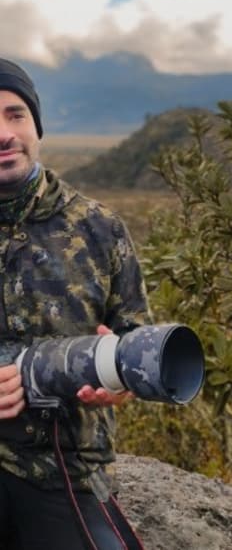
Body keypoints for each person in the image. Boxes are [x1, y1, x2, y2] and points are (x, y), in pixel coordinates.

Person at [0, 58, 145, 549]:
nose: (4, 134)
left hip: (66, 468)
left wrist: (120, 382)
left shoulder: (100, 228)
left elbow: (133, 343)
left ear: (36, 126)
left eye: (16, 114)